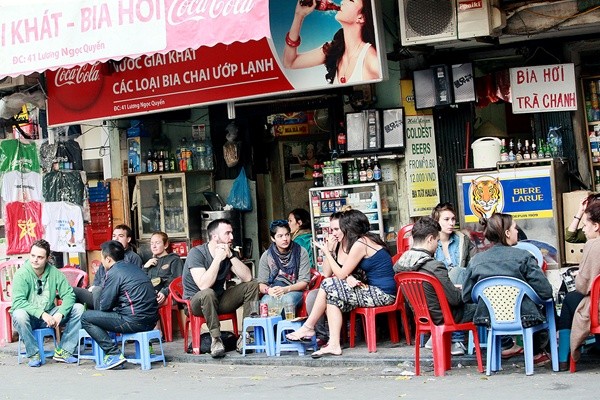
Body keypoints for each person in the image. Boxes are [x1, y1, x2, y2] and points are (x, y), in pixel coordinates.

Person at [286, 209, 396, 358]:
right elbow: (331, 273)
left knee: (328, 285)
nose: (335, 232)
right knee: (332, 298)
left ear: (349, 227)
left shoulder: (360, 243)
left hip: (382, 294)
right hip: (371, 289)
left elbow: (340, 274)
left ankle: (309, 326)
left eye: (340, 228)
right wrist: (331, 252)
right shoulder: (365, 240)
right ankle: (334, 344)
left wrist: (326, 252)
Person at [462, 213, 553, 367]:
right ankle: (540, 353)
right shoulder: (524, 257)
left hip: (488, 318)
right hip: (525, 316)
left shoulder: (476, 260)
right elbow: (545, 292)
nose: (518, 231)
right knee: (547, 308)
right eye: (515, 228)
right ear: (507, 233)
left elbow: (466, 296)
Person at [393, 217, 476, 353]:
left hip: (422, 316)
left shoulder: (399, 266)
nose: (437, 245)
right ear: (430, 239)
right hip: (444, 316)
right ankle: (502, 346)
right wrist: (466, 291)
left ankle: (437, 338)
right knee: (483, 306)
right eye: (437, 241)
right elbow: (455, 300)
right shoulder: (434, 266)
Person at [182, 219, 259, 358]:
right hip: (195, 303)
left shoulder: (228, 251)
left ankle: (246, 334)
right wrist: (217, 259)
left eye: (232, 233)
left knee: (252, 285)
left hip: (219, 299)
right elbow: (203, 285)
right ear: (215, 237)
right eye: (227, 233)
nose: (232, 237)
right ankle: (216, 339)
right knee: (207, 293)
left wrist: (230, 256)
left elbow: (247, 277)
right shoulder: (197, 253)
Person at [81, 240, 158, 370]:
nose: (102, 262)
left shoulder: (114, 272)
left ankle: (113, 354)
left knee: (86, 317)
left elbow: (105, 306)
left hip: (133, 321)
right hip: (151, 321)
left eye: (102, 258)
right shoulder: (134, 268)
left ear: (109, 259)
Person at [10, 239, 84, 367]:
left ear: (47, 258)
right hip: (29, 318)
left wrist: (60, 313)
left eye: (40, 257)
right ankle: (33, 354)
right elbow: (18, 302)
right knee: (19, 314)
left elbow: (69, 295)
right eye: (33, 256)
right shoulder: (21, 274)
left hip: (50, 315)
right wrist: (42, 314)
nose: (35, 260)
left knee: (78, 308)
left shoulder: (55, 273)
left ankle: (64, 350)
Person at [283, 0, 380, 84]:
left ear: (361, 18)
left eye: (351, 0)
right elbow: (289, 62)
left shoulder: (370, 58)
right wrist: (299, 15)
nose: (342, 2)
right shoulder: (335, 49)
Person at [557, 201, 600, 371]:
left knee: (569, 299)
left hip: (597, 308)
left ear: (596, 226)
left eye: (585, 224)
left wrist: (579, 276)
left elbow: (583, 287)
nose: (583, 229)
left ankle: (564, 359)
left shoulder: (593, 245)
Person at [430, 202, 475, 355]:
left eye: (453, 219)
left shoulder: (462, 240)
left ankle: (441, 332)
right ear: (437, 221)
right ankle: (456, 339)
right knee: (452, 275)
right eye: (446, 219)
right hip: (437, 289)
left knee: (458, 272)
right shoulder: (430, 242)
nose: (451, 223)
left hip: (461, 288)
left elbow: (472, 265)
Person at [73, 224, 142, 310]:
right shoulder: (108, 255)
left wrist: (100, 290)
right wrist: (94, 288)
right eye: (114, 236)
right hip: (99, 293)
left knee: (97, 293)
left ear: (128, 239)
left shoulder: (133, 258)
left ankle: (99, 317)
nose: (116, 239)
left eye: (120, 236)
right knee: (72, 291)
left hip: (117, 297)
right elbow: (98, 278)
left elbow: (133, 284)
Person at [258, 220, 310, 310]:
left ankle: (285, 324)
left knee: (287, 300)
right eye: (280, 236)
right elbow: (261, 284)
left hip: (294, 290)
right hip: (274, 291)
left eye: (287, 234)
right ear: (273, 238)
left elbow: (304, 282)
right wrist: (269, 290)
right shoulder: (267, 256)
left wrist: (286, 289)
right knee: (265, 302)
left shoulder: (301, 252)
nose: (285, 239)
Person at [143, 231, 184, 307]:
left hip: (168, 295)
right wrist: (145, 268)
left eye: (157, 243)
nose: (154, 246)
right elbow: (141, 281)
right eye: (152, 243)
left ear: (165, 245)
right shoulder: (151, 262)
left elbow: (177, 280)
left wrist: (164, 292)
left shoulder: (174, 260)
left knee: (145, 307)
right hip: (151, 295)